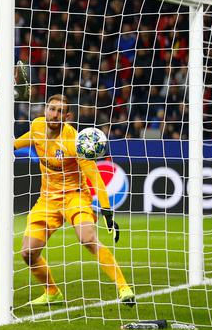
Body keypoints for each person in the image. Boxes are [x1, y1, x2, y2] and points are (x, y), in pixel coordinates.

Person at [14, 95, 135, 305]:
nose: (55, 115)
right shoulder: (37, 126)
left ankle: (124, 288)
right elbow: (22, 141)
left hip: (75, 196)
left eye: (60, 112)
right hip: (47, 200)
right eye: (52, 109)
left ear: (67, 116)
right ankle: (52, 292)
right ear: (45, 110)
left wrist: (107, 213)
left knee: (87, 238)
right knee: (28, 252)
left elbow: (95, 179)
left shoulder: (75, 142)